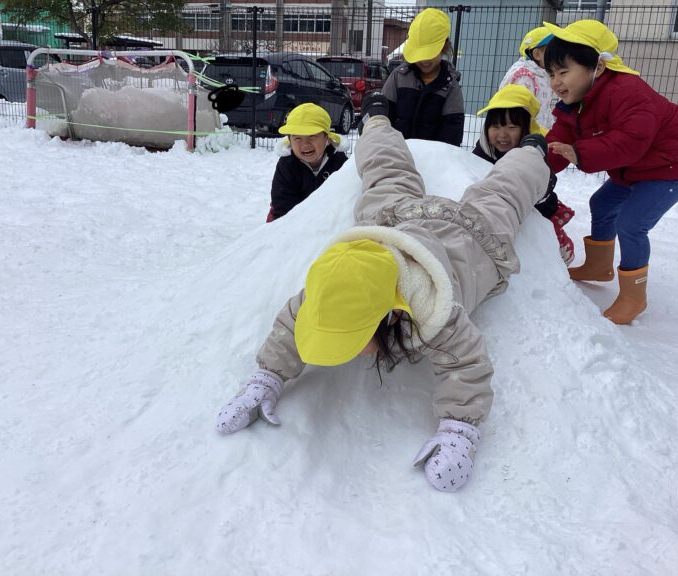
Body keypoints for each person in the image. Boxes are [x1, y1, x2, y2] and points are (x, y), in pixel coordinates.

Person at [217, 93, 550, 492]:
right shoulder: (337, 282)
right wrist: (266, 379)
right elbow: (293, 323)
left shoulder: (434, 310)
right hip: (392, 224)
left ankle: (532, 152)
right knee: (384, 172)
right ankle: (375, 120)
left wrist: (459, 430)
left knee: (503, 196)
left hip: (464, 238)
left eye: (352, 341)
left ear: (389, 315)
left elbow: (467, 364)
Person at [543, 20, 678, 324]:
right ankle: (599, 267)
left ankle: (633, 297)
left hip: (674, 163)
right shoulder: (578, 101)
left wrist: (581, 153)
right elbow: (560, 137)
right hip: (637, 167)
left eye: (563, 72)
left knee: (632, 223)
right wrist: (537, 163)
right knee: (603, 204)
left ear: (596, 68)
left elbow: (631, 140)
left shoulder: (627, 91)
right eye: (551, 74)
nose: (555, 82)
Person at [474, 84, 575, 263]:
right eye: (495, 127)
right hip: (501, 207)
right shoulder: (482, 152)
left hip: (538, 208)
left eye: (512, 127)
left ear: (525, 128)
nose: (502, 134)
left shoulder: (534, 153)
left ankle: (558, 252)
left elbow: (548, 179)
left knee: (547, 249)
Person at [380, 8, 465, 145]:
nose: (424, 60)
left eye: (430, 53)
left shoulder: (449, 86)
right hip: (396, 156)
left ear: (444, 46)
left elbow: (452, 133)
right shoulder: (399, 77)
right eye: (420, 54)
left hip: (431, 162)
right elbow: (382, 116)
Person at [267, 103, 349, 222]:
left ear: (327, 138)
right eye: (297, 138)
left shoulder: (339, 163)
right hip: (294, 220)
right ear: (290, 141)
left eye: (312, 136)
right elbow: (282, 205)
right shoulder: (287, 166)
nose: (305, 144)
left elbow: (346, 198)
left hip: (331, 218)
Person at [498, 26, 556, 131]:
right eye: (555, 51)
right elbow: (517, 115)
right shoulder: (524, 78)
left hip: (539, 135)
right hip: (524, 139)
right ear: (537, 54)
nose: (558, 55)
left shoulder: (542, 74)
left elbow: (545, 111)